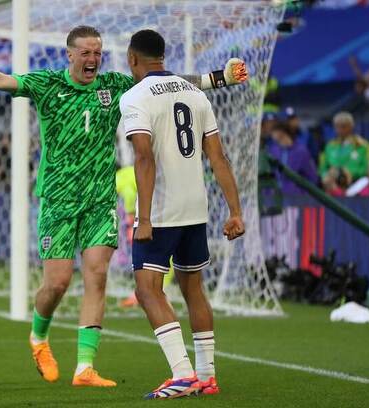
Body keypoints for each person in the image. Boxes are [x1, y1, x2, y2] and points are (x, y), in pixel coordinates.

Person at [0, 25, 247, 387]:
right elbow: (0, 80)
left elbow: (168, 83)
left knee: (96, 275)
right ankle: (38, 336)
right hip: (58, 199)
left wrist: (220, 78)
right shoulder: (48, 84)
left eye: (97, 52)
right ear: (70, 55)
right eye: (86, 53)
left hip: (99, 198)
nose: (93, 59)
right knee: (58, 283)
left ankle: (84, 368)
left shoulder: (116, 85)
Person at [120, 29, 245, 399]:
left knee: (147, 291)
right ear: (163, 55)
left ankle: (183, 374)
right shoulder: (194, 93)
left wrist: (143, 218)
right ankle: (206, 375)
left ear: (132, 59)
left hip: (161, 211)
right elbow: (218, 157)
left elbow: (143, 156)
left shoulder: (135, 97)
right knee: (193, 290)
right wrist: (235, 211)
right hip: (196, 208)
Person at [267, 122, 319, 194]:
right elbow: (269, 174)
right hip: (275, 198)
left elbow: (312, 177)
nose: (271, 135)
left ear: (280, 132)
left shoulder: (301, 151)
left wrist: (303, 195)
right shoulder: (272, 150)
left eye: (273, 132)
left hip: (295, 198)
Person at [319, 112, 369, 184]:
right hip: (333, 186)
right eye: (337, 126)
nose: (339, 130)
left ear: (351, 126)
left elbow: (367, 168)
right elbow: (322, 169)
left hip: (356, 184)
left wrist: (350, 173)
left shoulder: (362, 145)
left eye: (343, 126)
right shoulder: (329, 146)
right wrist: (326, 175)